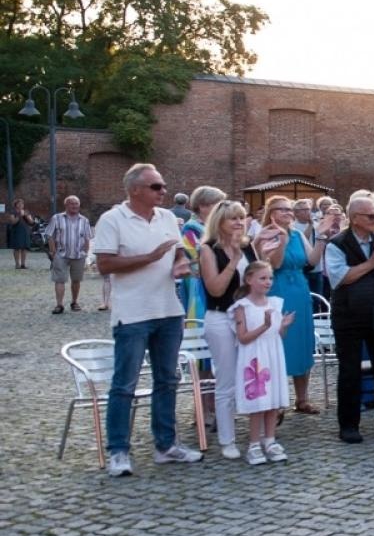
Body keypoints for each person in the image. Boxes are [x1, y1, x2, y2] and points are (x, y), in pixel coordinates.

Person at [92, 164, 203, 476]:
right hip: (133, 314)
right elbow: (104, 264)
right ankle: (118, 451)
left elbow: (178, 251)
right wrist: (151, 257)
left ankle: (166, 446)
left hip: (169, 310)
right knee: (124, 384)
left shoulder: (168, 217)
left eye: (163, 186)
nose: (163, 191)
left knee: (168, 380)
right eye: (156, 186)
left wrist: (180, 262)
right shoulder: (112, 219)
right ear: (135, 190)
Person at [322, 194, 374, 443]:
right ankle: (348, 424)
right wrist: (372, 262)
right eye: (370, 216)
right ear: (354, 218)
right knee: (350, 370)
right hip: (348, 314)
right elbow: (341, 278)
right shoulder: (337, 244)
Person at [258, 195, 330, 415]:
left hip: (300, 289)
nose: (289, 213)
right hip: (277, 290)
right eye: (283, 210)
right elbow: (275, 263)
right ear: (272, 213)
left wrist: (321, 239)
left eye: (290, 210)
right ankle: (278, 400)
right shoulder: (265, 235)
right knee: (280, 345)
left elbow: (312, 260)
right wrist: (281, 241)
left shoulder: (298, 234)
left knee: (302, 343)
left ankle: (302, 398)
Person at [198, 200, 255, 459]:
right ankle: (227, 439)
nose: (239, 223)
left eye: (242, 218)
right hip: (221, 318)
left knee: (254, 374)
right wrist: (233, 262)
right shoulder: (209, 250)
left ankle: (258, 435)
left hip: (248, 317)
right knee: (227, 380)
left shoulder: (248, 246)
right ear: (219, 222)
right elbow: (216, 289)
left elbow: (260, 281)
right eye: (233, 218)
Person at [228, 261, 293, 464]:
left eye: (270, 278)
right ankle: (254, 443)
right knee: (258, 401)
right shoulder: (242, 307)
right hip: (255, 357)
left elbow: (278, 335)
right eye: (263, 278)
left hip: (273, 355)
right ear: (249, 280)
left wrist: (283, 326)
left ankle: (270, 439)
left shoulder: (274, 303)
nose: (268, 282)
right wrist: (265, 326)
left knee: (272, 399)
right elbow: (243, 338)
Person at [177, 186, 225, 324]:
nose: (222, 208)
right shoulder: (190, 228)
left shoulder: (215, 227)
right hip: (198, 282)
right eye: (218, 204)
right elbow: (194, 255)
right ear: (202, 206)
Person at [44, 194, 93, 313]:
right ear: (66, 205)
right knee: (59, 280)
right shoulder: (57, 218)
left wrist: (85, 253)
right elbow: (49, 235)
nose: (74, 206)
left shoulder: (84, 220)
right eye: (72, 203)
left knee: (76, 280)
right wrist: (52, 251)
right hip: (61, 254)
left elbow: (88, 238)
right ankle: (59, 305)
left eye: (76, 204)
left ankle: (74, 302)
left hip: (78, 255)